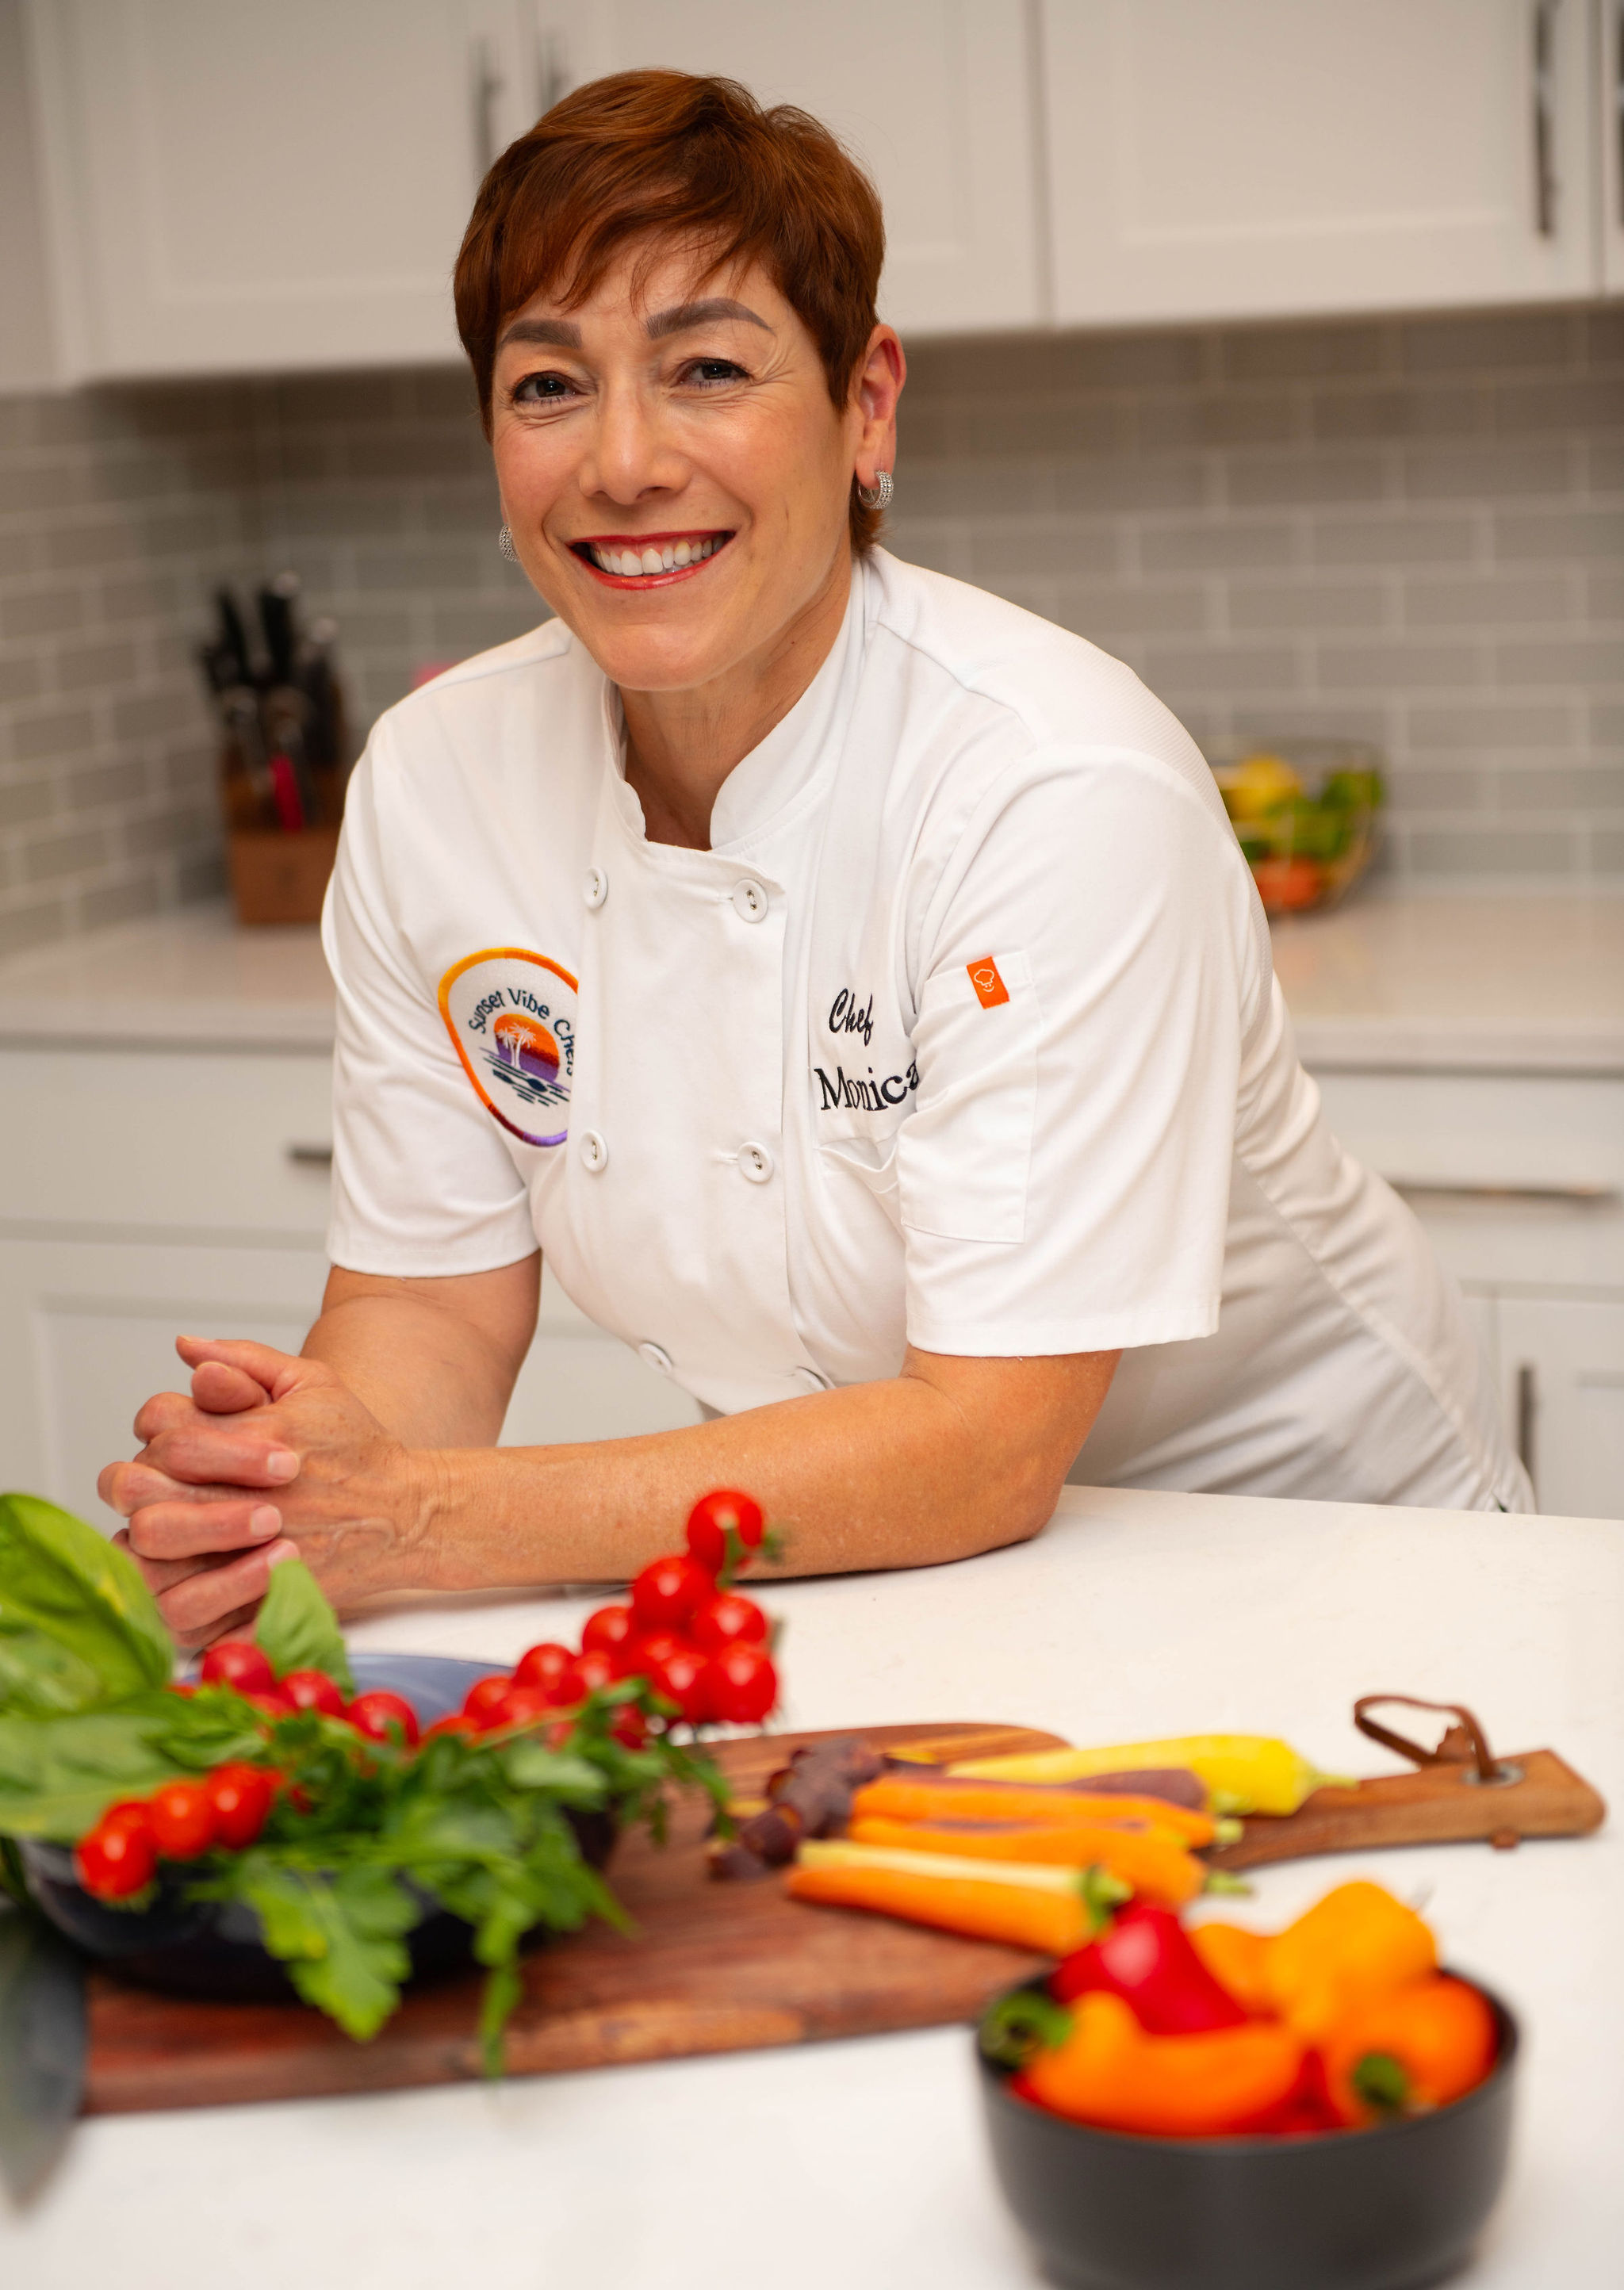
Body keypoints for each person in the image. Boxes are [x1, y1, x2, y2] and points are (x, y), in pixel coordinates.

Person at [100, 71, 1526, 1651]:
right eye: (546, 385)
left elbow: (985, 1442)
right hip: (855, 1555)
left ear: (864, 406)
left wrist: (422, 1520)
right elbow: (429, 1300)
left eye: (706, 368)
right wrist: (303, 1475)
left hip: (1324, 1562)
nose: (623, 462)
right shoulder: (439, 785)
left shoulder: (1047, 784)